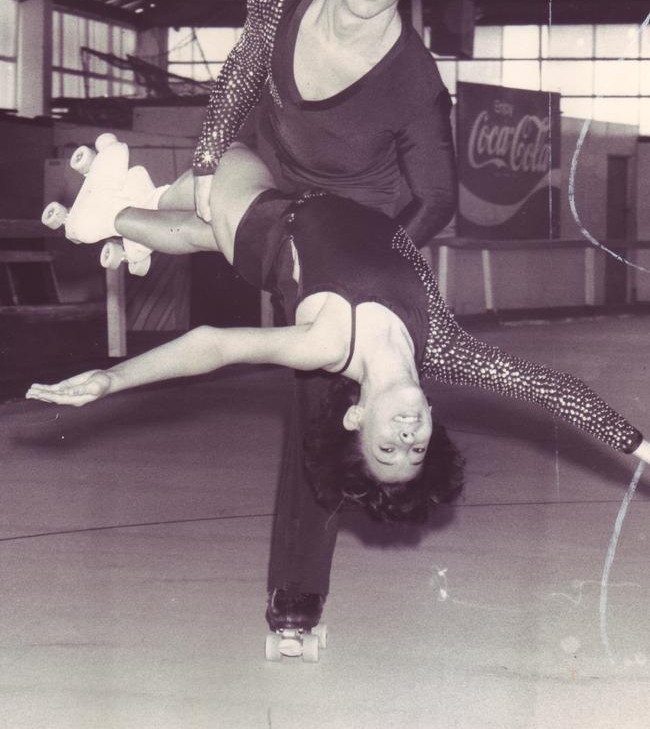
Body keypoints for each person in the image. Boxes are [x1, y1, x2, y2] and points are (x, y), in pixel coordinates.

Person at [45, 0, 459, 634]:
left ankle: (296, 601)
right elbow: (237, 82)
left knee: (320, 402)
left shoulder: (414, 82)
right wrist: (205, 165)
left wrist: (371, 258)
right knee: (210, 209)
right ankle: (124, 214)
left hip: (351, 225)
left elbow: (438, 199)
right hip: (261, 174)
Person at [28, 141, 650, 487]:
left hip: (264, 226)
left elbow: (212, 344)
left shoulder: (325, 346)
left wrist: (114, 379)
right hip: (315, 203)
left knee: (226, 163)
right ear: (430, 419)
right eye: (416, 449)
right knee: (192, 232)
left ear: (357, 416)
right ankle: (127, 222)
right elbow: (554, 388)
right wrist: (642, 448)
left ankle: (109, 215)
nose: (407, 440)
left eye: (387, 449)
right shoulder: (451, 350)